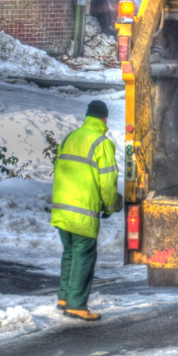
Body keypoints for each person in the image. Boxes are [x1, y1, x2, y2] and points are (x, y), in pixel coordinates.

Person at [51, 100, 122, 321]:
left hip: (62, 208)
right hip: (83, 211)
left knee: (70, 252)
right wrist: (111, 205)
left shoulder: (70, 137)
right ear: (105, 119)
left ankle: (64, 298)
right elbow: (107, 183)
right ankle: (76, 305)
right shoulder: (102, 143)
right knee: (84, 256)